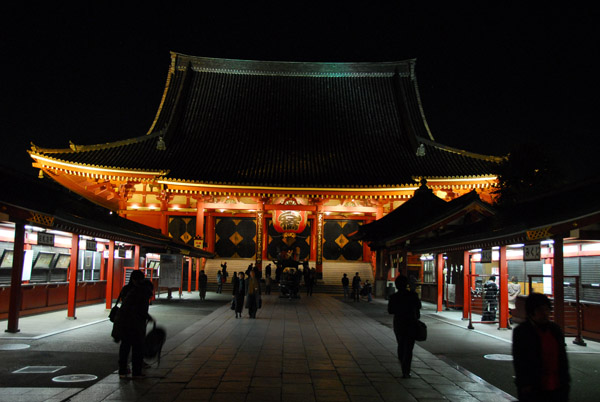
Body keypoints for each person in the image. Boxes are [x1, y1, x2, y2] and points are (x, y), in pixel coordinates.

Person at [512, 293, 570, 401]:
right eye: (540, 310)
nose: (545, 313)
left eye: (547, 309)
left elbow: (562, 358)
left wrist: (565, 382)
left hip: (557, 385)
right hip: (534, 387)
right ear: (531, 312)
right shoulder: (522, 332)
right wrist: (525, 384)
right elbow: (519, 361)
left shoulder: (555, 330)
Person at [112, 270, 153, 379]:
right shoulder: (141, 291)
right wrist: (148, 317)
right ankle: (136, 372)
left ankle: (122, 371)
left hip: (124, 323)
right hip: (135, 324)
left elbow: (124, 304)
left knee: (125, 347)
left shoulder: (126, 289)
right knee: (137, 348)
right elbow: (140, 309)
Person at [388, 275, 421, 378]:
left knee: (401, 344)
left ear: (397, 285)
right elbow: (418, 308)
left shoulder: (394, 297)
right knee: (409, 347)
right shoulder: (413, 295)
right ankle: (407, 369)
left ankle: (403, 365)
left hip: (399, 322)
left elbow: (390, 311)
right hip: (411, 322)